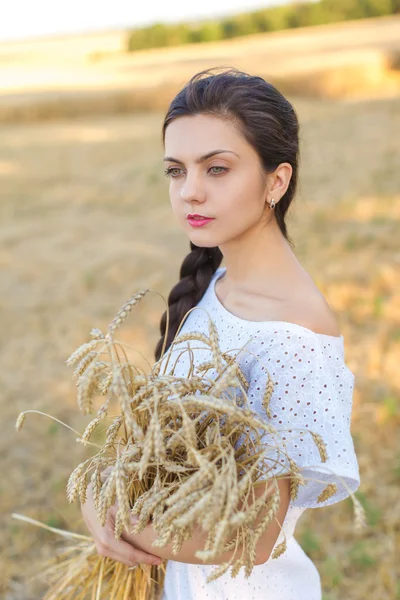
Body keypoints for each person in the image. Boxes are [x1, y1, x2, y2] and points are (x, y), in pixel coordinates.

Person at [81, 67, 360, 599]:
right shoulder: (220, 281)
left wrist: (117, 515)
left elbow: (253, 537)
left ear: (275, 181)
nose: (190, 191)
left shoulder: (293, 337)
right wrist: (101, 498)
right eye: (175, 170)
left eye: (217, 168)